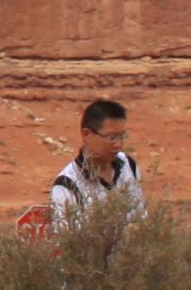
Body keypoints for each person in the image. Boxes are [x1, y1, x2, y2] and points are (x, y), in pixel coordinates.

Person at [48, 97, 145, 230]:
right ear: (86, 134)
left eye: (122, 136)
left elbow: (140, 217)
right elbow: (65, 244)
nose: (118, 144)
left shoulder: (129, 165)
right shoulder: (67, 185)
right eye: (111, 137)